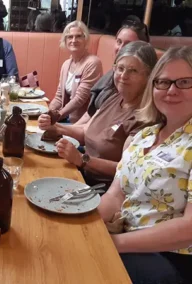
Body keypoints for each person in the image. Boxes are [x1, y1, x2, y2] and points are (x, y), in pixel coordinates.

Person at [98, 46, 192, 284]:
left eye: (183, 82)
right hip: (124, 238)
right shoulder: (144, 136)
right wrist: (86, 228)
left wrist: (113, 244)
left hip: (169, 257)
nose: (171, 90)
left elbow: (189, 229)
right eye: (162, 82)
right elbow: (115, 196)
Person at [39, 41, 157, 187]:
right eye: (120, 68)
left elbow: (126, 169)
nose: (123, 76)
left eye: (133, 71)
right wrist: (55, 127)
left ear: (149, 76)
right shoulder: (114, 97)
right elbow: (85, 131)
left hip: (102, 187)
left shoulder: (146, 117)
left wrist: (82, 159)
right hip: (81, 173)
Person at [75, 17, 150, 125]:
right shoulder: (113, 73)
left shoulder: (130, 84)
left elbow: (92, 128)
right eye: (119, 42)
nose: (121, 48)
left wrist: (66, 131)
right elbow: (90, 115)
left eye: (128, 44)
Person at [49, 21, 103, 123]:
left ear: (85, 39)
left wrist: (58, 115)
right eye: (70, 37)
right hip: (66, 118)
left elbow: (80, 99)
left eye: (78, 36)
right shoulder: (66, 64)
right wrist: (49, 112)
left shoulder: (93, 63)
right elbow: (59, 96)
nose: (74, 40)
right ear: (65, 40)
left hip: (82, 122)